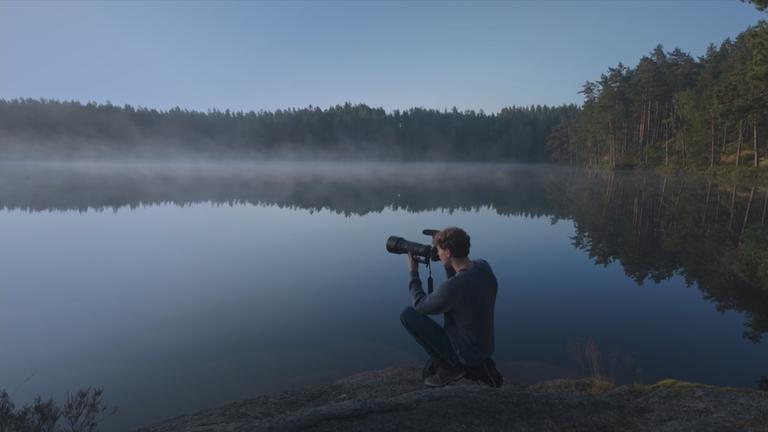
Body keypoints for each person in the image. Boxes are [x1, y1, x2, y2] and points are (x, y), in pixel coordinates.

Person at [400, 226, 502, 388]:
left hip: (465, 353)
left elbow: (420, 305)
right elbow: (460, 287)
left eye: (439, 250)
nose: (437, 254)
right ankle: (472, 367)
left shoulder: (454, 287)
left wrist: (413, 272)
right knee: (429, 368)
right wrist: (447, 262)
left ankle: (451, 367)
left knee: (407, 315)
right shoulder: (483, 267)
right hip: (483, 347)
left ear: (448, 252)